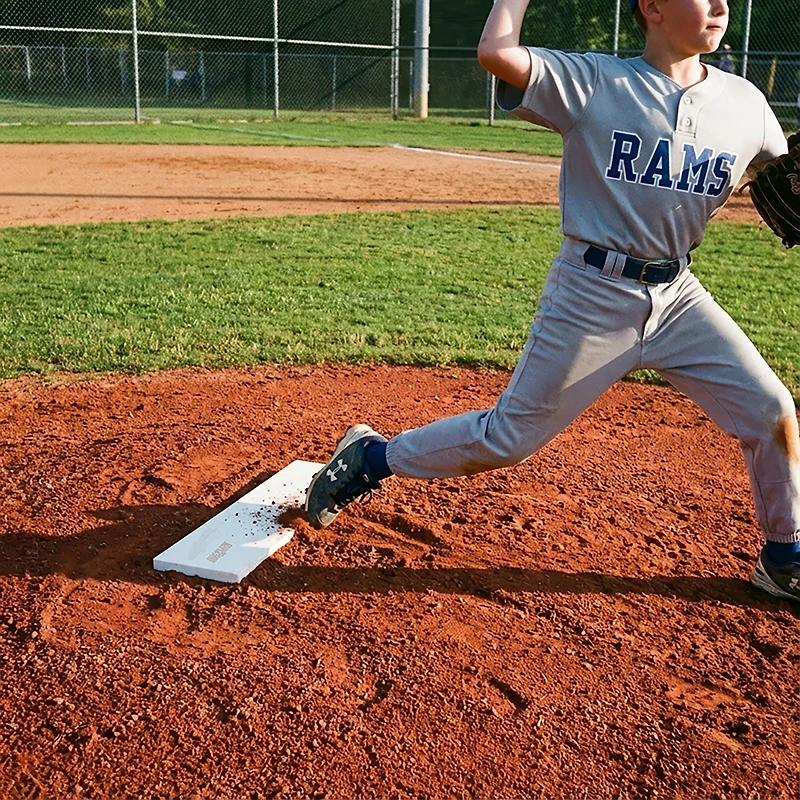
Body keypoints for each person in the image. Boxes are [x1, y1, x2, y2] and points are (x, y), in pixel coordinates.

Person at [305, 0, 800, 603]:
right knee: (507, 439)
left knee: (772, 408)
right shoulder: (597, 83)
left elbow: (784, 174)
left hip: (679, 297)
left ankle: (784, 555)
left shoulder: (746, 103)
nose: (722, 4)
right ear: (652, 7)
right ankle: (372, 458)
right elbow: (497, 54)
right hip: (592, 293)